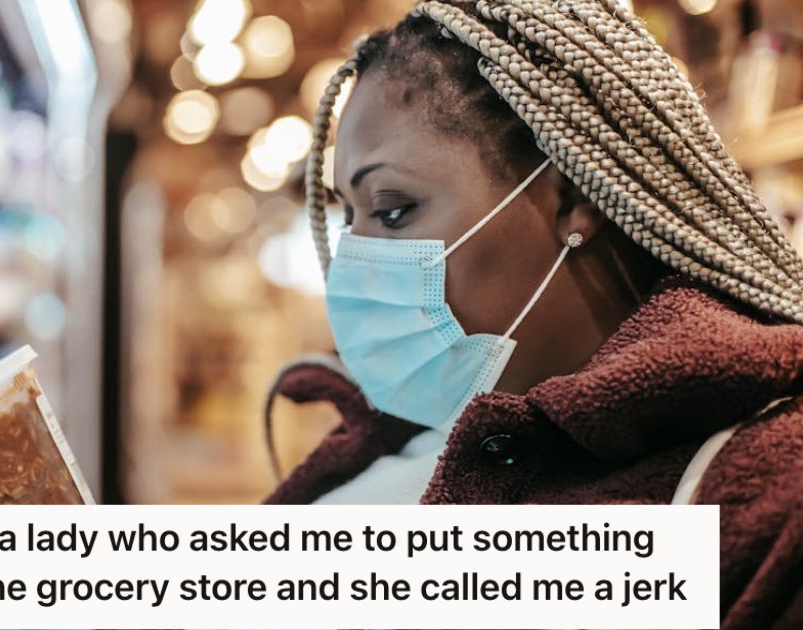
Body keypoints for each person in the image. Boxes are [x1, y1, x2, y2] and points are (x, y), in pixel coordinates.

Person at [260, 1, 802, 627]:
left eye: (392, 210)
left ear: (571, 197)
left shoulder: (757, 495)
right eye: (349, 218)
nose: (355, 260)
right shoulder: (401, 439)